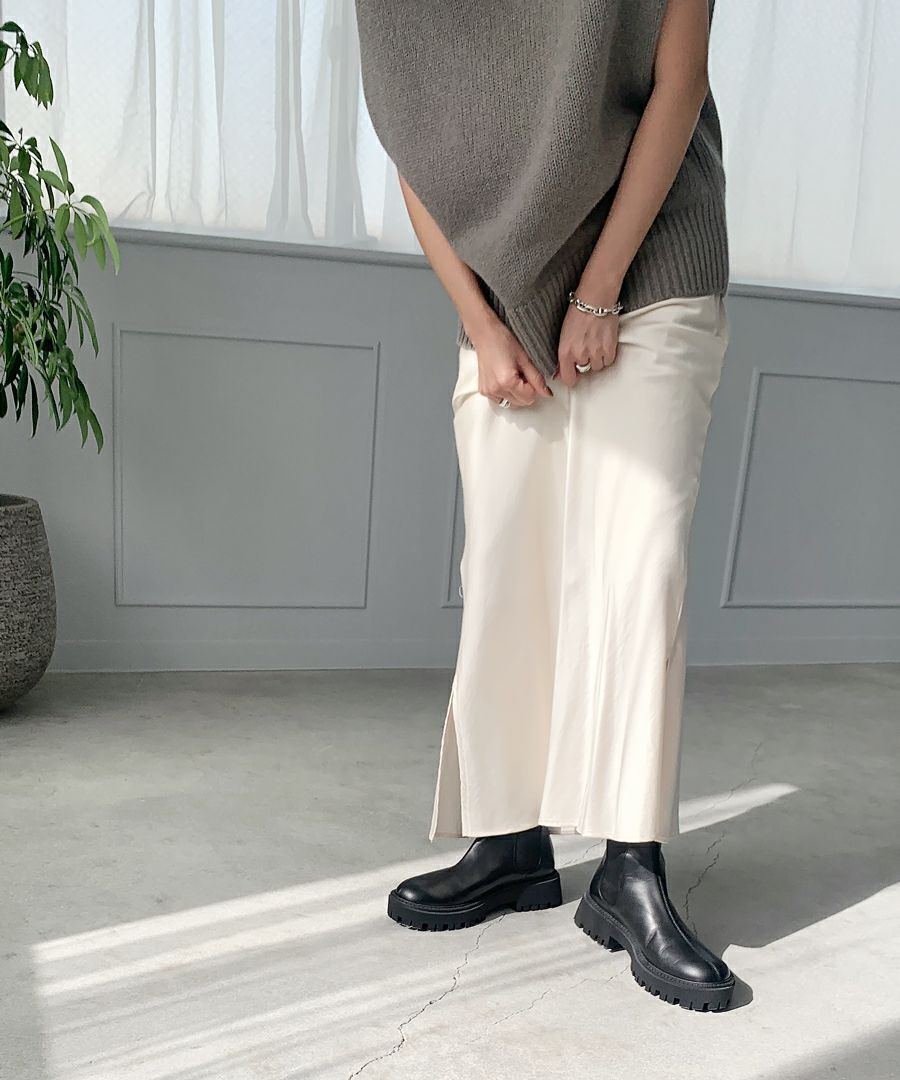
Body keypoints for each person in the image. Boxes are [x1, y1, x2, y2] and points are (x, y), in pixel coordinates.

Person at [354, 0, 736, 1012]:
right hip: (500, 286)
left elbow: (679, 80)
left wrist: (601, 288)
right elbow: (414, 141)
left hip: (653, 251)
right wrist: (480, 324)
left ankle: (631, 867)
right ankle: (510, 842)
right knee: (504, 571)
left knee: (639, 564)